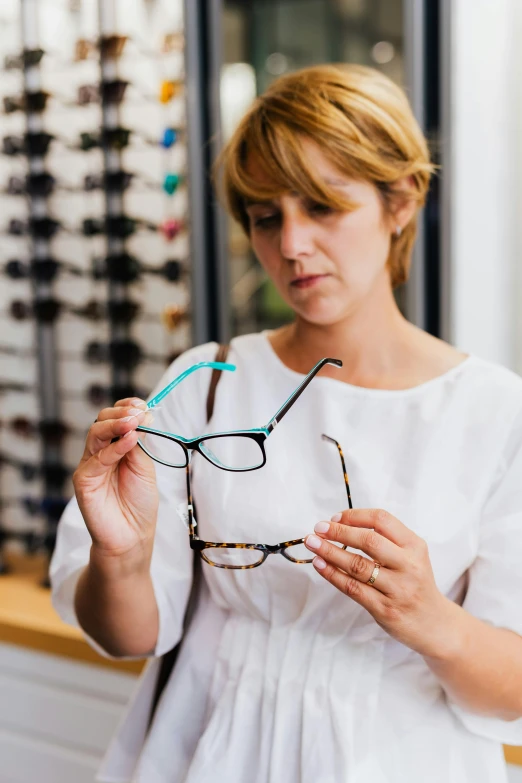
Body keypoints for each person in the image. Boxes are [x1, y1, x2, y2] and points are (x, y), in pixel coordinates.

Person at [51, 64, 522, 783]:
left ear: (401, 200)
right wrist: (122, 555)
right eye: (266, 217)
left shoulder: (494, 412)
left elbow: (512, 688)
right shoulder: (207, 385)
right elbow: (130, 634)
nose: (292, 245)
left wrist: (430, 616)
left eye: (322, 206)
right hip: (209, 749)